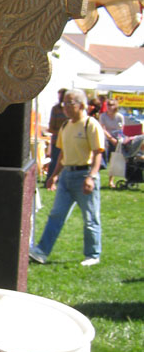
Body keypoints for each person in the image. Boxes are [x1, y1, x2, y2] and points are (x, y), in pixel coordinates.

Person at [30, 89, 105, 267]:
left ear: (81, 105)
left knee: (90, 218)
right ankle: (41, 252)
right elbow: (63, 155)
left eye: (69, 103)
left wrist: (91, 177)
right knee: (56, 215)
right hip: (66, 177)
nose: (65, 107)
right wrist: (54, 176)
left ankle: (92, 255)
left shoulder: (91, 125)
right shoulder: (65, 126)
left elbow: (97, 154)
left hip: (84, 175)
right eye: (64, 103)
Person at [45, 88, 67, 179]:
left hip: (69, 141)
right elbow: (51, 128)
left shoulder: (71, 110)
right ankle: (50, 179)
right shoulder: (55, 109)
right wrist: (62, 134)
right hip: (57, 140)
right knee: (55, 161)